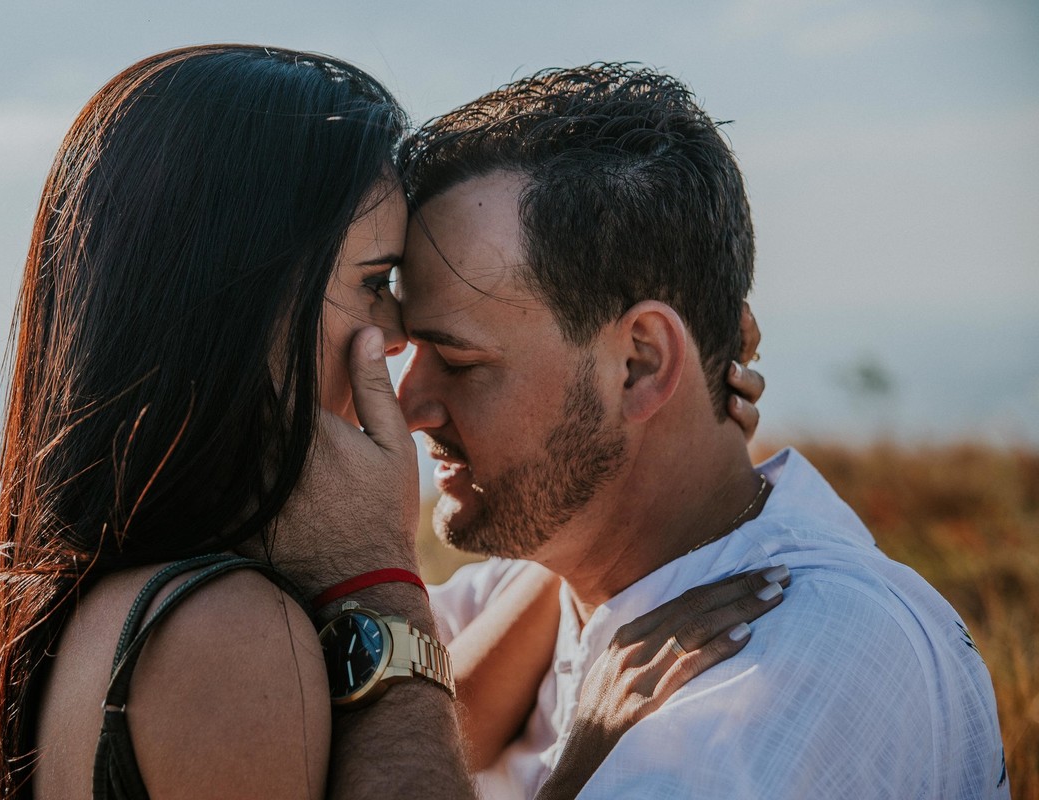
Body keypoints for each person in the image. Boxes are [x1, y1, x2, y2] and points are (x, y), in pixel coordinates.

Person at [0, 47, 784, 800]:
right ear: (248, 302)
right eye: (375, 283)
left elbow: (405, 730)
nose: (396, 335)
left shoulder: (128, 590)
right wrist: (572, 759)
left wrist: (625, 476)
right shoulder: (229, 636)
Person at [395, 63, 1009, 798]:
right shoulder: (548, 582)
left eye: (458, 362)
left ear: (641, 363)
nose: (407, 405)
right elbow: (360, 735)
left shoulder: (786, 664)